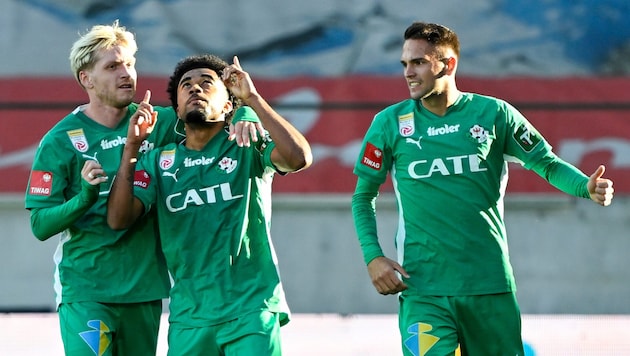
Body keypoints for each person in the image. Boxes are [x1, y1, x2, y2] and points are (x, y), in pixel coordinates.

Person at [351, 21, 614, 356]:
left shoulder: (493, 114)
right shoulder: (389, 123)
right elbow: (363, 197)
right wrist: (373, 257)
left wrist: (583, 186)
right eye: (404, 64)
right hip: (424, 288)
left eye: (418, 62)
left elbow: (545, 162)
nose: (408, 73)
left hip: (489, 286)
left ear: (447, 64)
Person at [24, 21, 261, 356]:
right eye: (112, 66)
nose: (126, 74)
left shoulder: (159, 122)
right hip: (88, 289)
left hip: (144, 290)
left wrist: (247, 110)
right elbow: (40, 225)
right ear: (86, 79)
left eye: (130, 64)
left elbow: (214, 114)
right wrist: (84, 197)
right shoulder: (60, 141)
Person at [107, 53, 312, 355]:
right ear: (176, 109)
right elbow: (118, 220)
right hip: (189, 319)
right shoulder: (157, 161)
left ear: (228, 105)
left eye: (206, 83)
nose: (195, 89)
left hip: (250, 310)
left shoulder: (246, 144)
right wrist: (132, 147)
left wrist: (252, 100)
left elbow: (299, 158)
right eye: (186, 85)